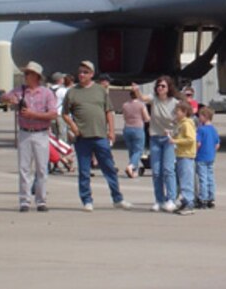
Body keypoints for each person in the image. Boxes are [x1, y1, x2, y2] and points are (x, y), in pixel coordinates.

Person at [62, 61, 131, 211]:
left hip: (100, 136)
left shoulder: (100, 90)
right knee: (84, 171)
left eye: (85, 72)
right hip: (82, 138)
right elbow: (65, 113)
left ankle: (117, 198)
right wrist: (73, 126)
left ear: (92, 74)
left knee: (109, 168)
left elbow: (109, 112)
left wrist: (111, 131)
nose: (81, 75)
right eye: (80, 72)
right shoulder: (72, 92)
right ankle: (87, 200)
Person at [0, 62, 57, 212]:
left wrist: (34, 114)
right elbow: (3, 97)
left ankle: (41, 200)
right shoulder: (20, 91)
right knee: (24, 168)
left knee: (41, 168)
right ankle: (24, 201)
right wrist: (8, 99)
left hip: (41, 133)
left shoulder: (46, 93)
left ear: (36, 76)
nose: (25, 77)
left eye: (28, 74)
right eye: (25, 74)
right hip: (25, 132)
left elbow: (53, 114)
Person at [133, 76, 180, 212]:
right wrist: (136, 90)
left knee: (168, 170)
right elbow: (142, 98)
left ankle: (171, 199)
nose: (160, 88)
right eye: (158, 85)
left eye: (163, 86)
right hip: (155, 138)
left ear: (168, 88)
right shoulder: (154, 98)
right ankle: (159, 200)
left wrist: (174, 134)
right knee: (157, 171)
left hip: (169, 139)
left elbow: (180, 120)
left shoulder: (174, 102)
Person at [170, 101, 196, 215]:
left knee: (186, 180)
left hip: (186, 155)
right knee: (182, 180)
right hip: (180, 154)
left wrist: (175, 141)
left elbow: (191, 139)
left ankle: (189, 202)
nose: (176, 113)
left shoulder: (187, 124)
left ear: (184, 112)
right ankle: (184, 201)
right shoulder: (180, 124)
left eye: (178, 111)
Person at [195, 106, 221, 209]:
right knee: (210, 177)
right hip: (211, 157)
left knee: (203, 178)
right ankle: (211, 197)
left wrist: (194, 152)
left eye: (200, 116)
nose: (199, 118)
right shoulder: (213, 130)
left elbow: (198, 143)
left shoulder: (201, 130)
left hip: (201, 157)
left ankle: (203, 198)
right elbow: (217, 144)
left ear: (204, 117)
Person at [121, 86, 150, 178]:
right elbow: (146, 118)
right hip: (138, 128)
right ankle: (131, 165)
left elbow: (124, 117)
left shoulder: (125, 105)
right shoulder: (141, 105)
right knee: (138, 150)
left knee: (131, 150)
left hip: (127, 128)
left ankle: (134, 170)